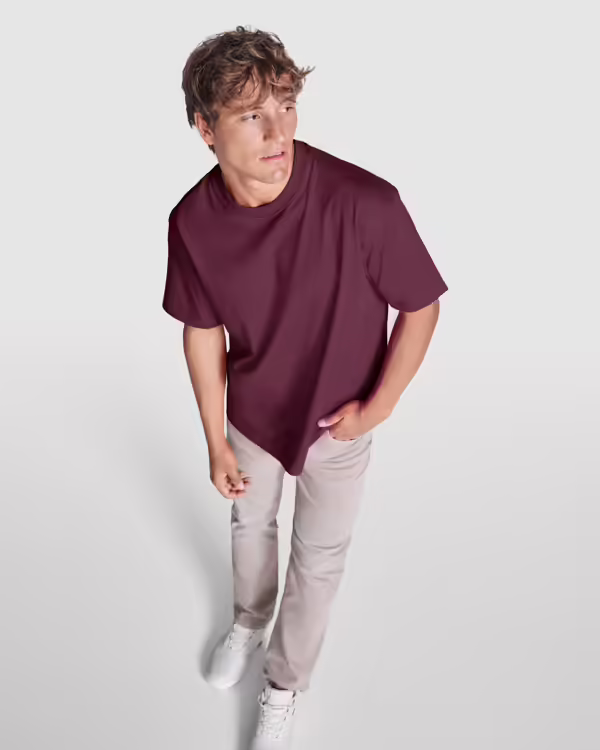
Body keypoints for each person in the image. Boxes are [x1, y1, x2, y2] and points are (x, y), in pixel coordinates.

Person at [162, 25, 448, 750]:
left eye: (286, 106)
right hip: (254, 414)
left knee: (318, 559)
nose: (278, 131)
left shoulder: (364, 201)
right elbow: (202, 330)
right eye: (252, 114)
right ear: (205, 129)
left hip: (338, 423)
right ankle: (249, 619)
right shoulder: (191, 222)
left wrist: (378, 407)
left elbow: (421, 306)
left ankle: (284, 686)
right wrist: (214, 438)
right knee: (249, 525)